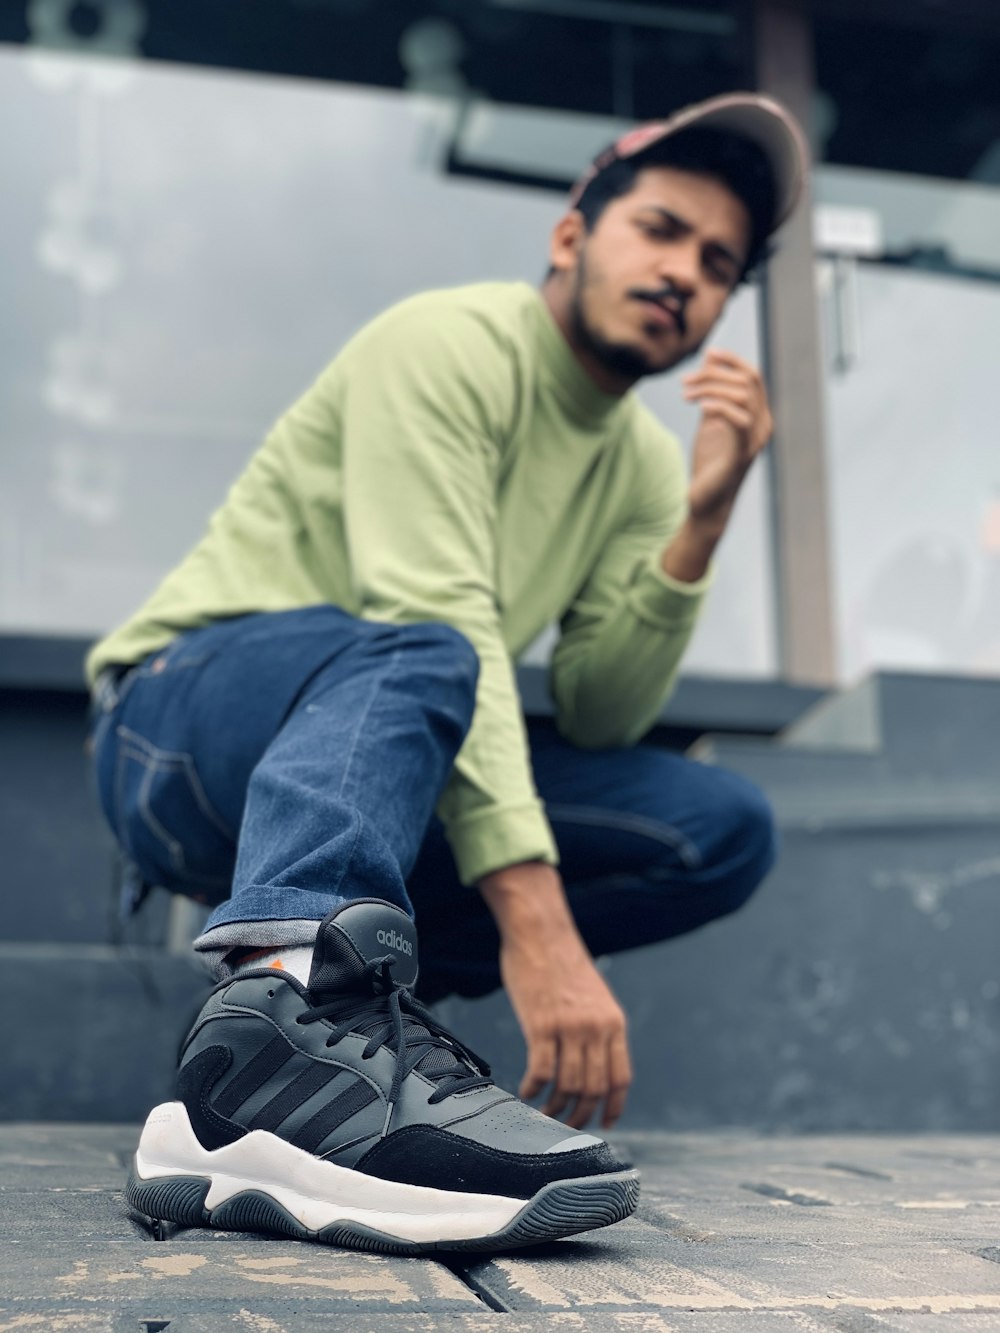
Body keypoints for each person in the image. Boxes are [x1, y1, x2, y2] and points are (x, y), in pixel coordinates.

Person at [84, 91, 808, 1252]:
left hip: (375, 754)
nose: (687, 272)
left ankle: (346, 1022)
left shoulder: (634, 462)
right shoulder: (450, 343)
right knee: (428, 646)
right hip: (180, 732)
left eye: (718, 263)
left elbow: (600, 709)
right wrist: (540, 932)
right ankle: (288, 1020)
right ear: (571, 235)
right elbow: (435, 614)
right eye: (662, 230)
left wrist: (701, 522)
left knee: (716, 823)